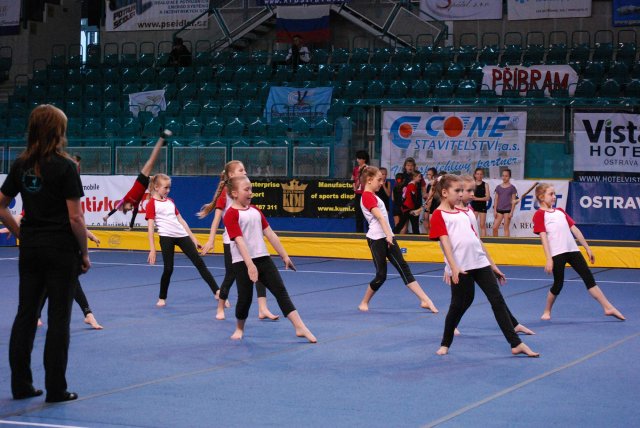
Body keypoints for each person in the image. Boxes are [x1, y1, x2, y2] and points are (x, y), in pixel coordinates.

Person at [0, 104, 90, 402]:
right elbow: (76, 218)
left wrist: (20, 233)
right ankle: (56, 388)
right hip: (60, 250)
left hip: (32, 249)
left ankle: (21, 385)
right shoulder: (65, 166)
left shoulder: (21, 163)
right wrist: (85, 252)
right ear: (57, 131)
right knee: (59, 319)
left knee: (26, 315)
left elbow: (1, 204)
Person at [429, 174, 538, 357]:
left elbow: (477, 241)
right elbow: (445, 244)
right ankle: (446, 342)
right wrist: (452, 267)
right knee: (458, 304)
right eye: (458, 191)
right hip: (462, 267)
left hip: (480, 263)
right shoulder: (439, 215)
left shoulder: (465, 212)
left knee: (497, 300)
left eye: (463, 191)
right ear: (445, 193)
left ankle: (515, 343)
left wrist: (492, 265)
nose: (461, 194)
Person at [223, 175, 316, 342]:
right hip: (242, 262)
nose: (250, 192)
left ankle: (299, 327)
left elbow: (270, 233)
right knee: (245, 298)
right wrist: (250, 265)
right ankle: (239, 327)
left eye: (251, 189)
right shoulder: (230, 214)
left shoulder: (255, 211)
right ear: (235, 193)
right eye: (246, 190)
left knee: (280, 291)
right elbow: (239, 241)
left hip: (263, 258)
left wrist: (284, 255)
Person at [198, 160, 279, 321]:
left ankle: (263, 308)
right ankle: (220, 306)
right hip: (231, 241)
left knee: (258, 272)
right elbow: (216, 219)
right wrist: (211, 239)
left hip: (246, 240)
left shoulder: (244, 190)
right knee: (231, 275)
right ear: (231, 175)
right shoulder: (226, 194)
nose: (245, 173)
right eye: (241, 170)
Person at [532, 183, 625, 321]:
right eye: (550, 194)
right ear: (541, 197)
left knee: (588, 278)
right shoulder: (539, 215)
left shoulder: (560, 212)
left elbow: (575, 229)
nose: (554, 197)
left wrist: (587, 248)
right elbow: (543, 237)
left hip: (573, 250)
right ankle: (547, 310)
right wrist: (549, 259)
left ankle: (607, 307)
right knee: (558, 284)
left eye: (554, 194)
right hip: (557, 253)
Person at [357, 166, 438, 313]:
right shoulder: (367, 196)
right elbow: (380, 217)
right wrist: (388, 235)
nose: (381, 183)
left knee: (404, 268)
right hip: (377, 239)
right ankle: (364, 301)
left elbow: (383, 218)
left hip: (387, 237)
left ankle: (425, 299)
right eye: (379, 180)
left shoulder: (373, 196)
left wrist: (389, 236)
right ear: (369, 180)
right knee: (381, 276)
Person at [146, 174, 219, 308]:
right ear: (156, 187)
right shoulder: (151, 204)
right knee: (168, 268)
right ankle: (162, 297)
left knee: (199, 262)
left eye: (169, 188)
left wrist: (193, 238)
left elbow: (181, 220)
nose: (168, 190)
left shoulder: (170, 202)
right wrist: (152, 248)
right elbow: (150, 228)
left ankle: (217, 291)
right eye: (165, 187)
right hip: (166, 237)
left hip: (181, 235)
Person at [103, 130, 170, 229]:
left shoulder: (124, 199)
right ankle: (161, 143)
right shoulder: (136, 204)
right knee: (155, 190)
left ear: (124, 206)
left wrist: (107, 216)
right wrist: (130, 227)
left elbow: (115, 209)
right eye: (130, 210)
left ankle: (161, 139)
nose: (130, 210)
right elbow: (134, 216)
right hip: (146, 183)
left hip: (140, 179)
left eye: (127, 209)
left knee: (152, 160)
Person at [492, 168, 517, 237]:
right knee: (494, 228)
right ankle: (495, 243)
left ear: (509, 177)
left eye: (506, 176)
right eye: (503, 176)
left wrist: (511, 212)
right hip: (499, 210)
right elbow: (496, 199)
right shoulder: (498, 187)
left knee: (506, 228)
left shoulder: (512, 188)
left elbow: (513, 201)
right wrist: (495, 211)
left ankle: (507, 245)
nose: (504, 177)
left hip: (508, 210)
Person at [352, 150, 369, 233]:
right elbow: (352, 179)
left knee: (367, 215)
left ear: (364, 159)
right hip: (358, 194)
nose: (357, 160)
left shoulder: (368, 169)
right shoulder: (355, 169)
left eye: (359, 158)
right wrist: (354, 186)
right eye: (357, 158)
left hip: (365, 194)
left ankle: (370, 233)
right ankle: (359, 233)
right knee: (358, 215)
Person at [470, 168, 490, 237]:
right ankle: (473, 239)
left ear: (483, 175)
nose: (479, 176)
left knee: (482, 225)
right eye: (478, 174)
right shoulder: (472, 184)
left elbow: (487, 198)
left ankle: (484, 241)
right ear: (475, 175)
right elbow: (469, 195)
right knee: (472, 224)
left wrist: (477, 198)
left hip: (482, 207)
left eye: (481, 174)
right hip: (474, 206)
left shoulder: (485, 185)